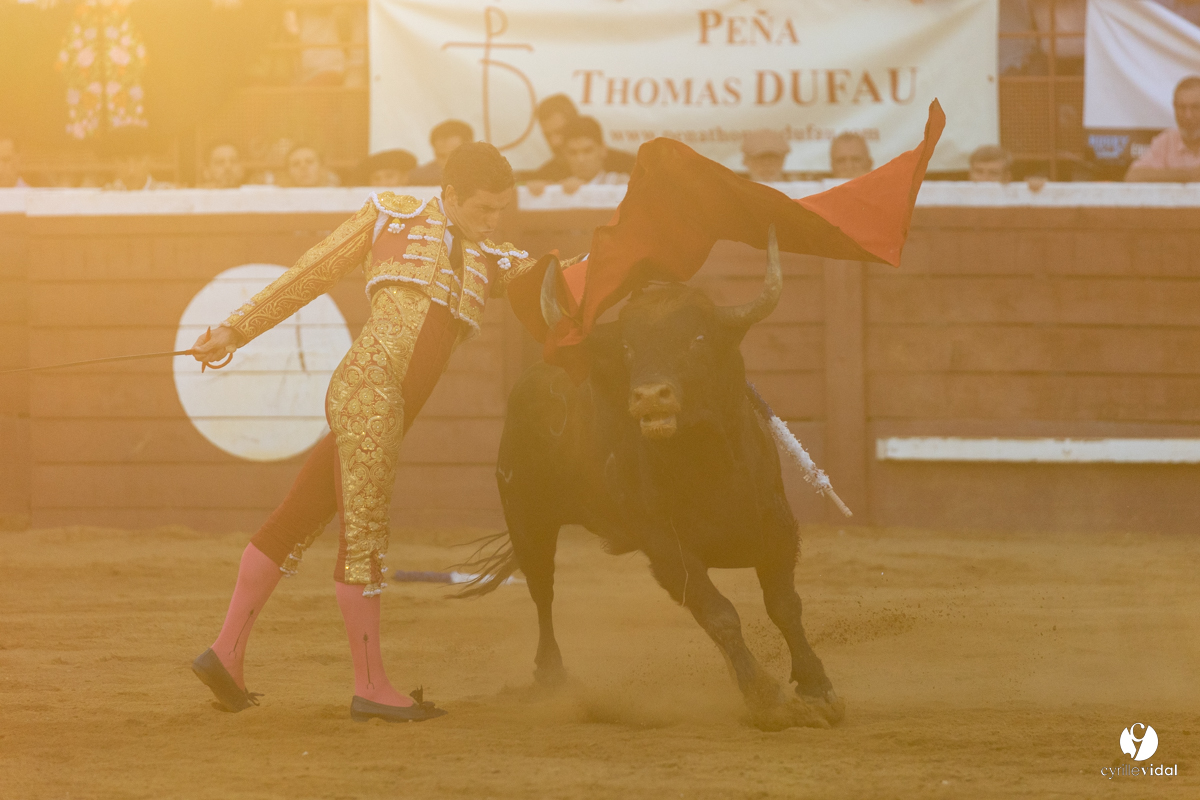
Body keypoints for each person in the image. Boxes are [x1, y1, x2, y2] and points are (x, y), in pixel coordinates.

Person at [188, 142, 542, 723]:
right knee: (365, 540)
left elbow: (557, 277)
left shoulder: (490, 257)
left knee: (296, 519)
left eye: (502, 210)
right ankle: (371, 686)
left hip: (386, 407)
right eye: (484, 208)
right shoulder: (392, 215)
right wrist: (235, 329)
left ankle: (224, 654)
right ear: (450, 194)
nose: (493, 221)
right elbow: (311, 272)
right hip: (368, 394)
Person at [527, 96, 636, 183]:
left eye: (560, 132)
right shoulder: (546, 175)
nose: (554, 142)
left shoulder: (627, 166)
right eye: (547, 135)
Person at [1125, 75, 1200, 182]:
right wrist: (1189, 175)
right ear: (1174, 108)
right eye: (1182, 107)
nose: (1188, 115)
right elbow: (1133, 176)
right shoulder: (1166, 141)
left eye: (1196, 107)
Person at [557, 116, 630, 194]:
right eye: (573, 152)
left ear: (603, 150)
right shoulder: (557, 188)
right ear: (565, 155)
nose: (581, 159)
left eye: (587, 151)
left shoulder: (622, 183)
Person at [408, 120, 473, 185]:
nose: (449, 163)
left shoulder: (479, 174)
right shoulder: (418, 178)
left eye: (455, 155)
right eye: (442, 156)